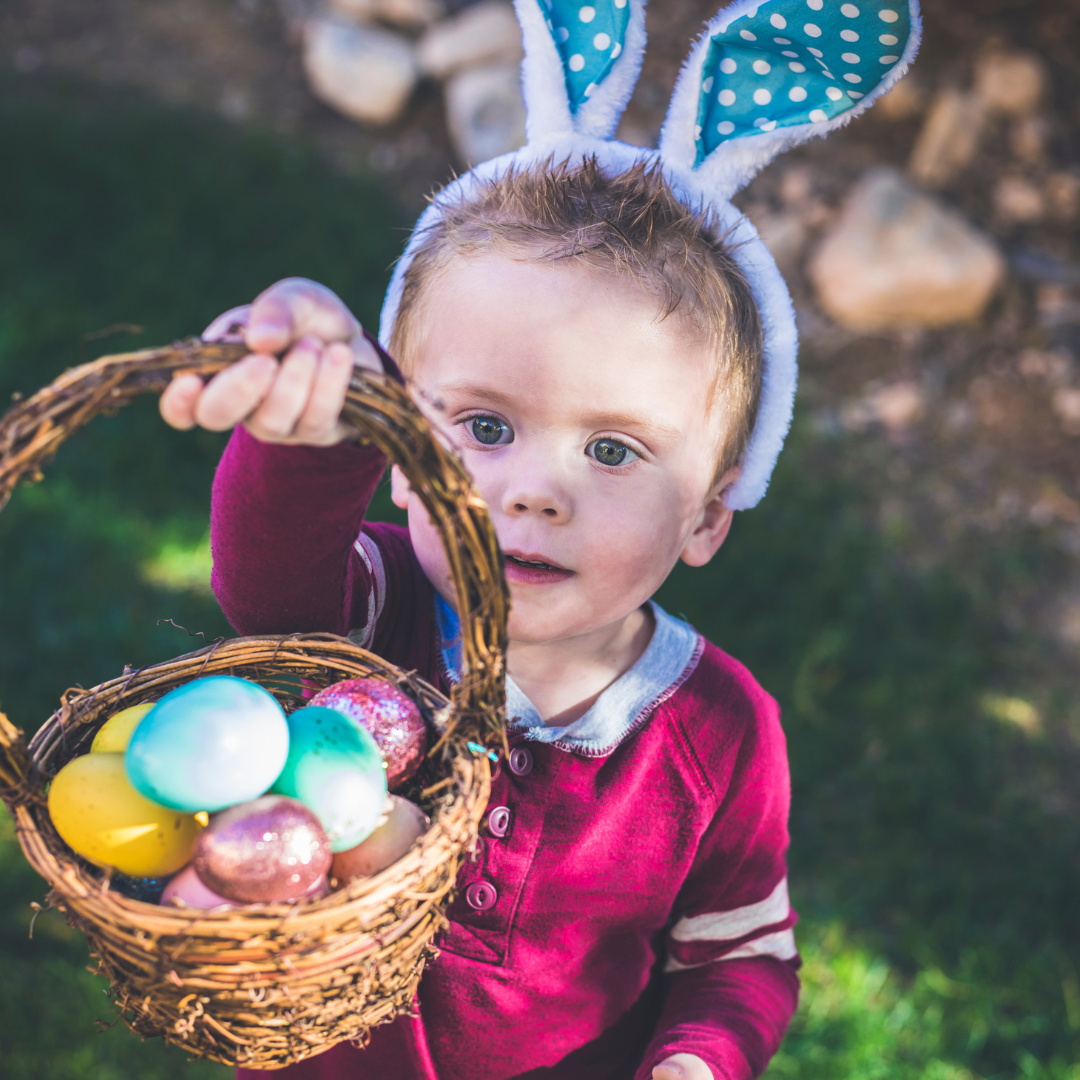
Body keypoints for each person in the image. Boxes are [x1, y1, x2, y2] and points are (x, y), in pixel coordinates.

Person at [161, 2, 920, 1075]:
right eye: (483, 427)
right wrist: (321, 428)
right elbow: (263, 579)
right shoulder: (375, 605)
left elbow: (738, 958)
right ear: (400, 424)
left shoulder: (717, 736)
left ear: (709, 513)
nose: (534, 494)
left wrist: (701, 1057)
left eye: (613, 451)